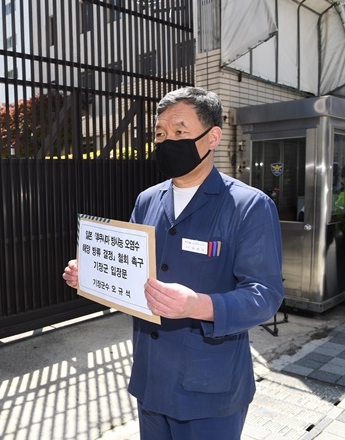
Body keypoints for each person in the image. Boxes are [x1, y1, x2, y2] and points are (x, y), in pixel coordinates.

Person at [63, 87, 284, 439]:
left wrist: (199, 305)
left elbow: (265, 295)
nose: (167, 142)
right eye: (160, 134)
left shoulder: (248, 206)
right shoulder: (147, 200)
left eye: (180, 132)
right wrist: (91, 273)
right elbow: (136, 270)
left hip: (209, 388)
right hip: (152, 380)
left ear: (212, 137)